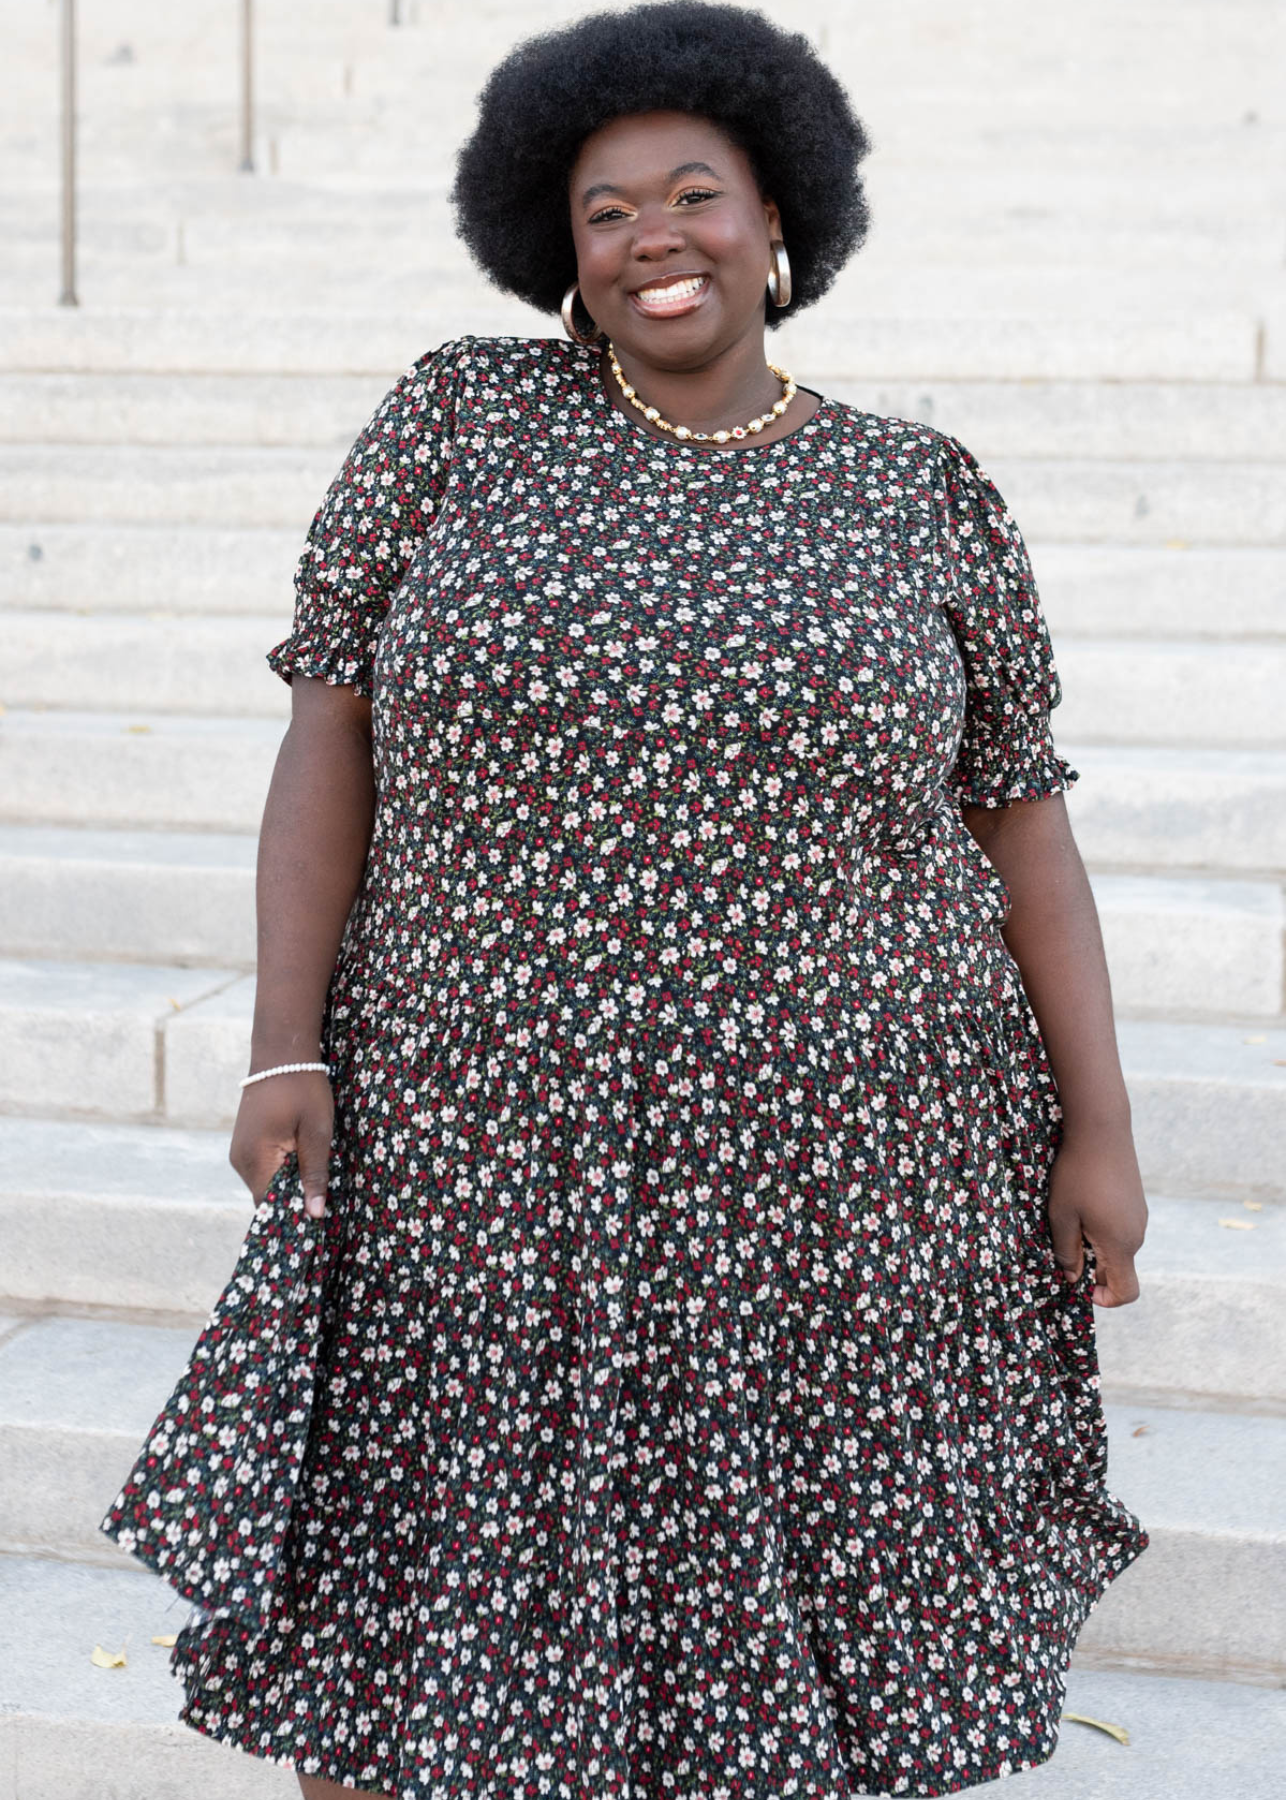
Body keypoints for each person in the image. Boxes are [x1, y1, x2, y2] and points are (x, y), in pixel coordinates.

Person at [102, 4, 1149, 1795]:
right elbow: (327, 734)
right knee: (418, 1585)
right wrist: (286, 1047)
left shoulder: (916, 490)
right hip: (484, 1129)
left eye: (695, 193)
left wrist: (1097, 1131)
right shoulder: (460, 418)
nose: (653, 236)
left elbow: (1020, 822)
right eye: (604, 211)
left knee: (790, 1603)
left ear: (779, 222)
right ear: (555, 250)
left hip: (842, 1160)